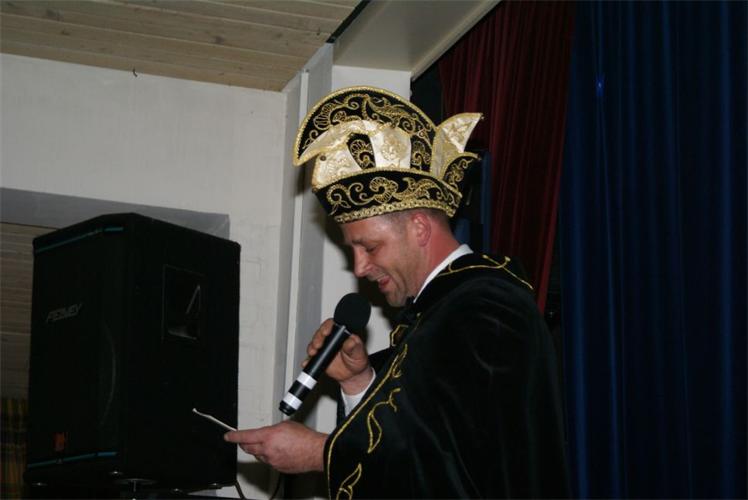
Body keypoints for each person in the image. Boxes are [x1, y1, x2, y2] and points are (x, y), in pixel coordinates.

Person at [225, 87, 569, 498]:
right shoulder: (443, 312)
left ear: (419, 227)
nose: (359, 268)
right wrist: (358, 381)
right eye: (352, 251)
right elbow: (420, 437)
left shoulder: (487, 309)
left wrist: (322, 453)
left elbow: (451, 464)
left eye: (369, 247)